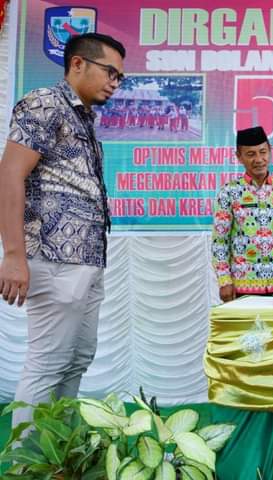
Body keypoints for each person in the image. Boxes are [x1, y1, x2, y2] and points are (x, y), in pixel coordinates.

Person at [0, 33, 125, 427]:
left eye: (120, 77)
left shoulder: (83, 117)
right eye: (110, 72)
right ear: (78, 64)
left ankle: (59, 451)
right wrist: (13, 255)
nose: (114, 83)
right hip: (53, 256)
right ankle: (24, 458)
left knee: (77, 359)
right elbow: (10, 174)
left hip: (87, 259)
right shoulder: (44, 103)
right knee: (48, 363)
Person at [212, 126, 273, 301]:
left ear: (270, 151)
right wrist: (224, 280)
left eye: (263, 152)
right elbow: (220, 241)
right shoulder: (228, 192)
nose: (258, 159)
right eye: (251, 154)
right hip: (243, 285)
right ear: (239, 157)